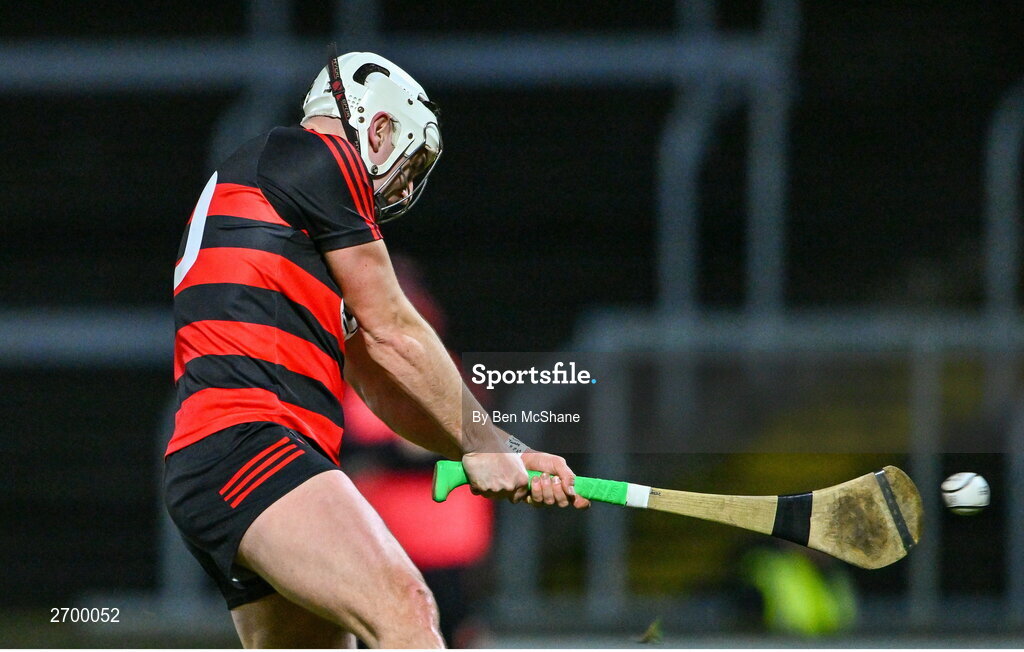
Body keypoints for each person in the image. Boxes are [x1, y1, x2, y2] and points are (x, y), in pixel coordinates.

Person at [163, 51, 590, 649]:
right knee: (406, 608)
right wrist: (482, 444)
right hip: (254, 446)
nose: (407, 186)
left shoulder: (287, 206)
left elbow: (383, 377)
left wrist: (503, 449)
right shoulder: (317, 157)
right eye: (409, 163)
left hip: (225, 460)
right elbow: (397, 329)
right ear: (378, 126)